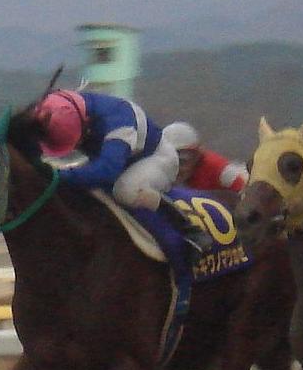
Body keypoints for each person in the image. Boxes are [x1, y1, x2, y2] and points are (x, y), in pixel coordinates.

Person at [24, 89, 213, 254]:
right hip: (120, 159)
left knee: (125, 191)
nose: (78, 145)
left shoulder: (118, 118)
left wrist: (56, 175)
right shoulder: (58, 107)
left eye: (78, 141)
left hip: (156, 159)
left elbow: (107, 171)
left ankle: (188, 228)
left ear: (85, 121)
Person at [162, 122, 248, 193]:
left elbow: (245, 192)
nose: (176, 167)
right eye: (169, 160)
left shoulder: (219, 169)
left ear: (197, 157)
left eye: (183, 160)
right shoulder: (159, 170)